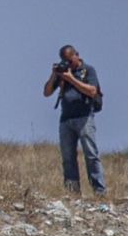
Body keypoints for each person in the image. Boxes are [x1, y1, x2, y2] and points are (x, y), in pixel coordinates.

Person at [43, 45, 104, 197]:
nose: (68, 64)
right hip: (66, 119)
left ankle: (99, 191)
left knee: (90, 155)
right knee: (68, 157)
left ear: (77, 55)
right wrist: (54, 75)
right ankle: (73, 193)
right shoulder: (62, 73)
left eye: (70, 60)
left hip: (84, 118)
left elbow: (92, 91)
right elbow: (46, 92)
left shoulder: (88, 70)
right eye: (65, 61)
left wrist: (72, 79)